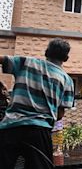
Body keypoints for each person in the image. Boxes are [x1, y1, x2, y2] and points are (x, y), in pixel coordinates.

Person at [0, 38, 75, 169]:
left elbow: (2, 59)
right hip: (39, 131)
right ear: (66, 58)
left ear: (46, 52)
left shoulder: (26, 62)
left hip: (11, 127)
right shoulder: (67, 80)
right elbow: (60, 115)